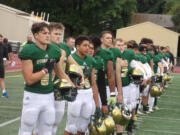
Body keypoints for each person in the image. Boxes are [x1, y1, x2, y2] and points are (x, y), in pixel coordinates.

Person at [18, 22, 74, 135]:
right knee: (26, 130)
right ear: (36, 35)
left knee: (47, 129)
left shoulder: (54, 50)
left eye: (48, 33)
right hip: (33, 96)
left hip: (48, 96)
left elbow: (59, 72)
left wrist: (72, 84)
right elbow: (29, 80)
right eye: (44, 33)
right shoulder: (29, 50)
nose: (47, 35)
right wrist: (45, 70)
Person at [48, 22, 84, 135]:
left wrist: (81, 77)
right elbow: (58, 69)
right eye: (55, 33)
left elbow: (75, 64)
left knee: (55, 122)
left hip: (60, 88)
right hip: (46, 89)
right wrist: (71, 84)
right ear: (49, 34)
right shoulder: (46, 47)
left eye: (60, 34)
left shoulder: (64, 47)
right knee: (43, 125)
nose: (58, 36)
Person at [64, 36, 100, 135]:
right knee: (71, 126)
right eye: (85, 45)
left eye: (88, 46)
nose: (87, 48)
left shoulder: (91, 60)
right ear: (77, 46)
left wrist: (97, 104)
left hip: (87, 94)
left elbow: (93, 82)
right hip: (75, 93)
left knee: (83, 126)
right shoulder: (70, 58)